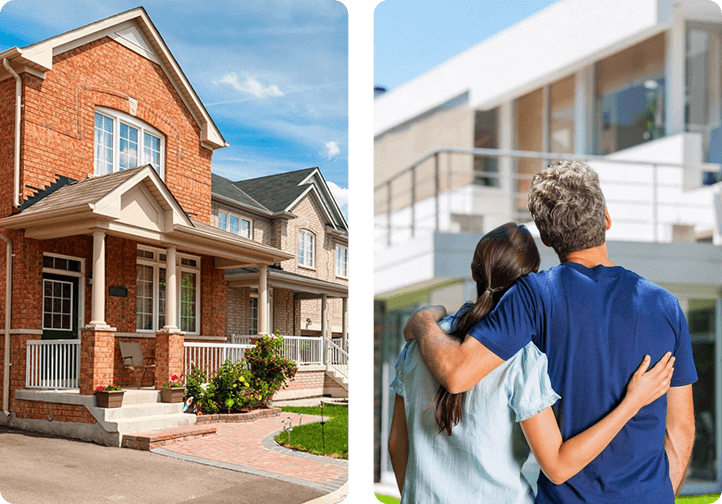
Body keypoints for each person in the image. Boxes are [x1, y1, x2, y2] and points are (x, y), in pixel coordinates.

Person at [403, 160, 697, 503]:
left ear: (544, 237)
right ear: (606, 219)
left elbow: (455, 374)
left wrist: (424, 321)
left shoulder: (534, 296)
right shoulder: (665, 306)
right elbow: (681, 430)